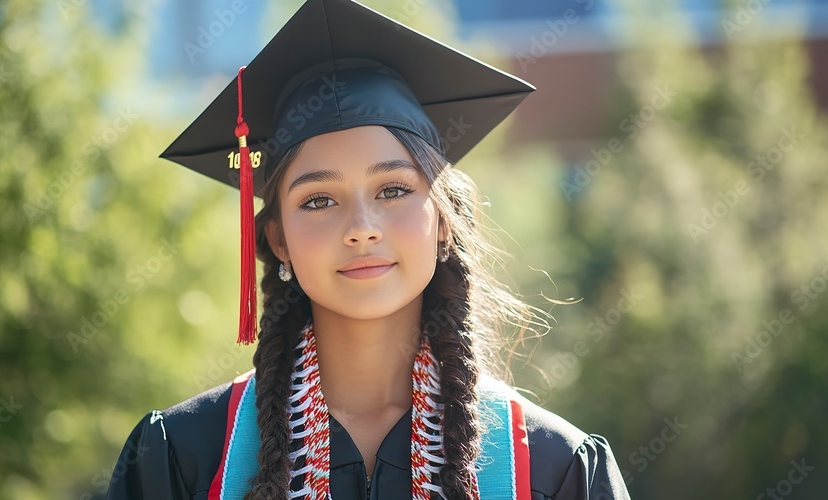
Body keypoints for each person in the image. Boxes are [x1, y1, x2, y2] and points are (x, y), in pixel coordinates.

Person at [108, 0, 631, 498]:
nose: (361, 228)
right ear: (278, 241)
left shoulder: (552, 468)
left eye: (394, 190)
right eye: (318, 200)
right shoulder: (183, 457)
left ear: (444, 222)